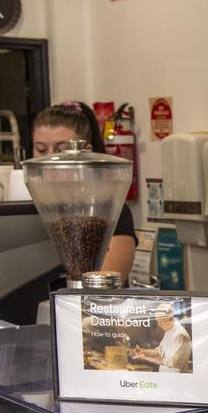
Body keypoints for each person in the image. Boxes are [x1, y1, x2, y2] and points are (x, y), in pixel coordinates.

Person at [32, 101, 137, 281]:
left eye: (62, 150)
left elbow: (104, 288)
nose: (50, 159)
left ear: (87, 152)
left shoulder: (109, 210)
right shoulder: (28, 208)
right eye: (41, 150)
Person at [129, 303, 191, 373]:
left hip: (175, 378)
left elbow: (170, 362)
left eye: (161, 320)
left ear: (170, 318)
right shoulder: (169, 330)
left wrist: (145, 357)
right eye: (157, 321)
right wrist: (143, 351)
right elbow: (159, 351)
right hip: (165, 376)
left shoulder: (180, 335)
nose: (159, 324)